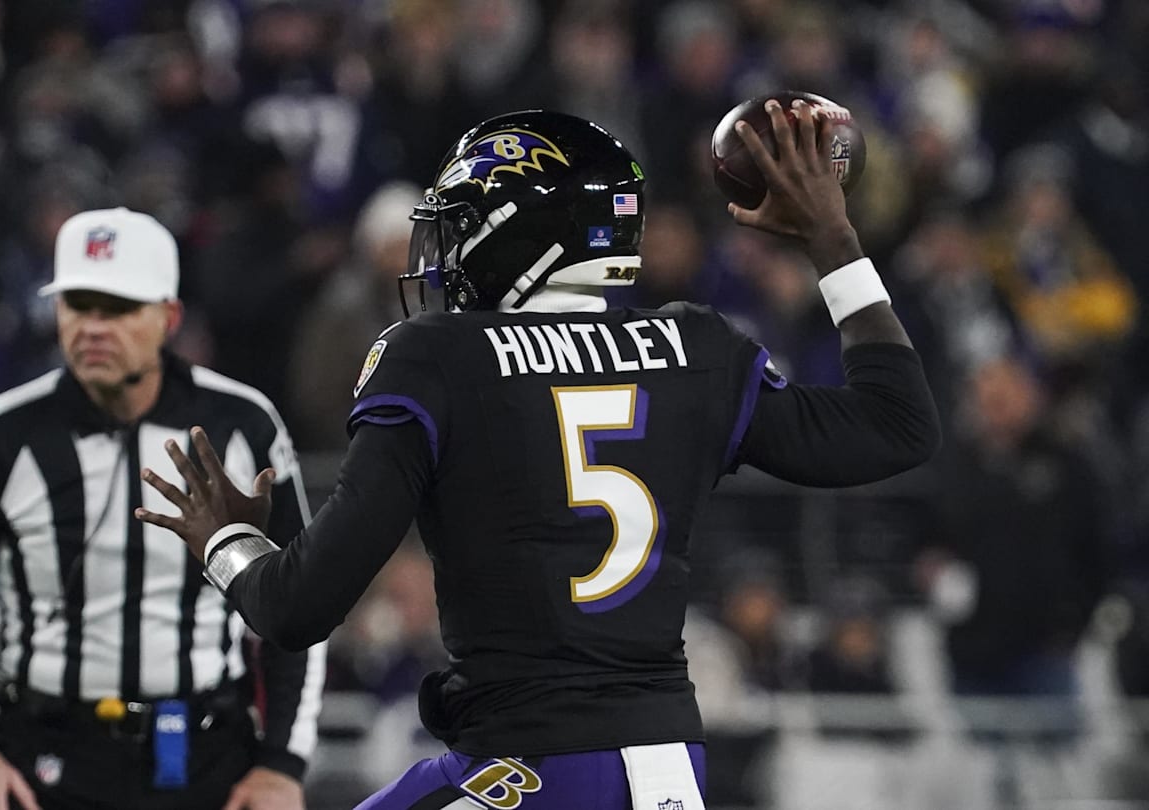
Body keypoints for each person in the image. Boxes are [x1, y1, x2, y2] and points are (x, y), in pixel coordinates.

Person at [137, 106, 940, 809]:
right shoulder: (696, 346)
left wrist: (224, 540)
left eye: (463, 224)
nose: (445, 250)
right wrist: (833, 239)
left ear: (521, 231)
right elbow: (898, 426)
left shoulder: (436, 357)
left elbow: (296, 607)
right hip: (670, 765)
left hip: (534, 764)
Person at [0, 206, 324, 810]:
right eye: (78, 304)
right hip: (43, 758)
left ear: (168, 318)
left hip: (205, 758)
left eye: (119, 308)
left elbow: (298, 599)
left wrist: (283, 763)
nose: (93, 327)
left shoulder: (242, 425)